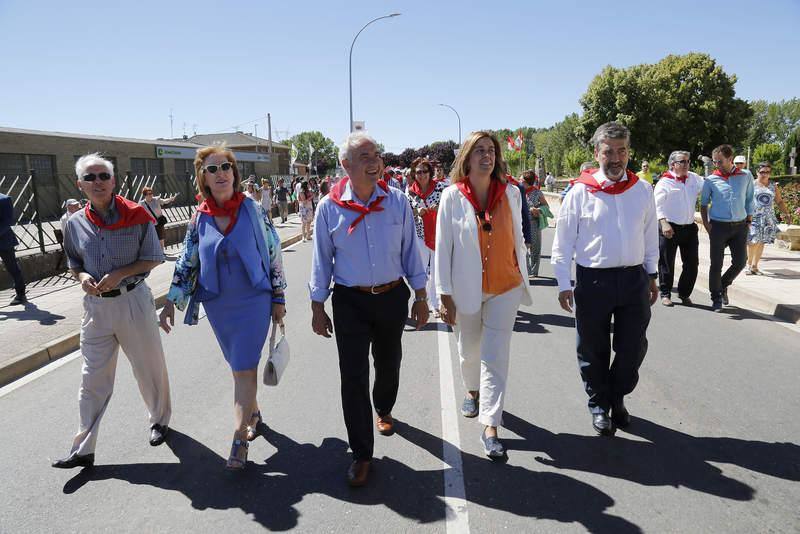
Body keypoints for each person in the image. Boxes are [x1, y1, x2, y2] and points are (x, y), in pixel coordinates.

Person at [309, 131, 428, 487]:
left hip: (392, 297)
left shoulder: (397, 202)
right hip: (350, 301)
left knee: (389, 362)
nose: (374, 161)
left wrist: (422, 297)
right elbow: (321, 260)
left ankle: (385, 406)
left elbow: (411, 252)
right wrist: (317, 306)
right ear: (346, 165)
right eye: (364, 156)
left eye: (376, 154)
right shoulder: (328, 207)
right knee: (353, 376)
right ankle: (361, 453)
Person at [159, 146, 287, 471]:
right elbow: (188, 262)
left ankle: (240, 438)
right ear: (203, 177)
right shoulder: (198, 217)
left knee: (244, 367)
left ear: (235, 172)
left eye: (226, 167)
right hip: (218, 305)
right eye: (213, 169)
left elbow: (273, 254)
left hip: (254, 300)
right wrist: (171, 303)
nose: (221, 174)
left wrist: (278, 297)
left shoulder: (254, 210)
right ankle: (253, 414)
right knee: (238, 367)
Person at [53, 153, 172, 469]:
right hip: (96, 309)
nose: (97, 182)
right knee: (92, 378)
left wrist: (120, 273)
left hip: (132, 300)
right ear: (80, 185)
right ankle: (84, 449)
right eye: (89, 178)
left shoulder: (137, 215)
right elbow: (74, 263)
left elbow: (154, 257)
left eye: (103, 176)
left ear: (113, 180)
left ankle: (159, 420)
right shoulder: (75, 224)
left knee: (148, 368)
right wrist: (83, 278)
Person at [551, 122, 658, 436]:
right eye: (609, 151)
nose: (616, 158)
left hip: (633, 279)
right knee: (593, 348)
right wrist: (562, 283)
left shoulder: (642, 189)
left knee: (632, 347)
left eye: (622, 150)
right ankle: (600, 405)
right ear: (597, 153)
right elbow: (563, 241)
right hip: (593, 281)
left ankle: (618, 396)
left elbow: (650, 236)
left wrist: (652, 275)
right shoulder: (580, 192)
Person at [436, 131, 532, 458]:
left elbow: (519, 238)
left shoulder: (512, 194)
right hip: (466, 289)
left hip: (505, 285)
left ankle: (491, 425)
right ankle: (472, 390)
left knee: (496, 354)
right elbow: (443, 249)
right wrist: (443, 295)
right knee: (468, 351)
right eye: (479, 150)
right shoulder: (452, 197)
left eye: (490, 150)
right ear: (467, 157)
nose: (486, 156)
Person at [700, 144, 755, 312]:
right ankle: (716, 297)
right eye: (715, 161)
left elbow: (749, 198)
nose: (716, 165)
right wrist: (707, 225)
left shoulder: (745, 176)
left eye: (720, 161)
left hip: (740, 227)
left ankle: (722, 285)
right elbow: (703, 204)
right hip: (718, 227)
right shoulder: (710, 180)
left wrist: (749, 220)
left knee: (740, 262)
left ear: (730, 159)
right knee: (716, 263)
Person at [654, 151, 704, 306]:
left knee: (692, 263)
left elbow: (709, 186)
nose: (686, 164)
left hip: (689, 227)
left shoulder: (694, 178)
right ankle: (665, 293)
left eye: (688, 161)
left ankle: (684, 293)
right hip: (669, 227)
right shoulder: (665, 182)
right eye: (682, 162)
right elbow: (656, 205)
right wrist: (663, 223)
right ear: (673, 164)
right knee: (666, 262)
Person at [407, 157, 446, 316]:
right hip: (419, 235)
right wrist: (417, 212)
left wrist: (440, 208)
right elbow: (407, 213)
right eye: (418, 172)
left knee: (437, 270)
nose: (421, 175)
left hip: (438, 234)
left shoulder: (441, 188)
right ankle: (422, 300)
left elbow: (450, 208)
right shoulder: (410, 191)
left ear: (430, 173)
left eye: (424, 171)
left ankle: (436, 304)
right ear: (414, 174)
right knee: (421, 270)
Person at [747, 162, 791, 275]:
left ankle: (754, 266)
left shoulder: (773, 186)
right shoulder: (751, 185)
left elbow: (779, 201)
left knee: (761, 242)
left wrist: (786, 214)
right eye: (762, 172)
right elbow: (745, 201)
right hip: (754, 217)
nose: (765, 174)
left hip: (768, 218)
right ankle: (748, 264)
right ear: (757, 172)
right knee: (753, 242)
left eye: (767, 172)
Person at [522, 169, 551, 278]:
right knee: (522, 248)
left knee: (535, 248)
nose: (519, 182)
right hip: (521, 225)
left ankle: (534, 272)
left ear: (527, 182)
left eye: (521, 180)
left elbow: (546, 207)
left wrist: (537, 210)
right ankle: (525, 271)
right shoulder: (517, 192)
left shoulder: (537, 192)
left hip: (534, 224)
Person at [0, 192, 26, 305]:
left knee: (12, 267)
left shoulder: (4, 199)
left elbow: (8, 221)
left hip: (4, 240)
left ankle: (21, 294)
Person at [139, 186, 179, 251]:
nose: (150, 195)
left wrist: (171, 199)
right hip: (150, 224)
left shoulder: (156, 199)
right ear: (144, 195)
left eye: (151, 193)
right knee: (151, 238)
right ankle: (154, 252)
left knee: (161, 238)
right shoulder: (142, 203)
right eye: (148, 194)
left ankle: (162, 252)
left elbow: (164, 201)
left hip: (159, 222)